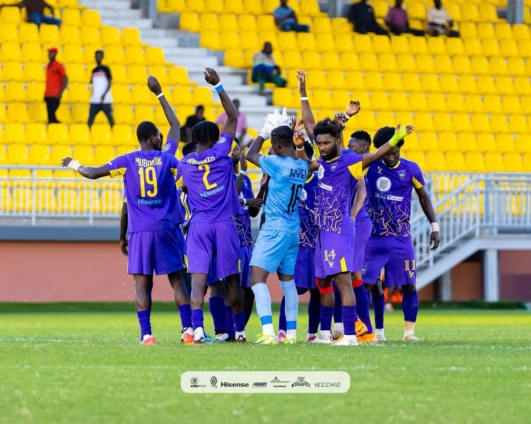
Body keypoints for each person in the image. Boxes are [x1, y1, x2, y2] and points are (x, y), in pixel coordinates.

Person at [61, 76, 190, 345]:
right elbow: (176, 125)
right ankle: (188, 331)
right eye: (159, 136)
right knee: (178, 279)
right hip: (167, 228)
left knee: (141, 283)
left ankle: (147, 335)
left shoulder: (126, 162)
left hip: (140, 231)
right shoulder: (167, 157)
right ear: (153, 138)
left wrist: (74, 164)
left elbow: (92, 173)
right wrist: (159, 93)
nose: (162, 138)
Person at [295, 71, 413, 346]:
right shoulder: (322, 160)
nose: (322, 146)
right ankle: (327, 334)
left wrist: (395, 139)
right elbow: (310, 126)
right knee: (323, 282)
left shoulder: (350, 162)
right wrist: (303, 92)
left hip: (341, 231)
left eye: (326, 143)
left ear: (338, 142)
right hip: (323, 231)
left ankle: (350, 334)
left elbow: (376, 155)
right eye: (319, 143)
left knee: (344, 281)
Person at [178, 68, 247, 344]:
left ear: (196, 140)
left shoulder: (184, 163)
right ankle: (239, 332)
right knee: (232, 280)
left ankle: (197, 330)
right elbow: (233, 116)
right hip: (225, 223)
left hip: (199, 225)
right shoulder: (222, 151)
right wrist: (218, 85)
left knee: (198, 281)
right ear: (214, 137)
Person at [363, 126, 440, 342]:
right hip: (373, 237)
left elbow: (423, 197)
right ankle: (370, 332)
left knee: (409, 284)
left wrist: (434, 226)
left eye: (395, 153)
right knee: (367, 284)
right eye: (387, 153)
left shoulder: (411, 169)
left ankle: (409, 333)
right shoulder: (370, 166)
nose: (391, 157)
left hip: (401, 237)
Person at [246, 110, 309, 345]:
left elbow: (250, 154)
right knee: (287, 282)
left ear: (276, 145)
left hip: (274, 228)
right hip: (293, 229)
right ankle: (291, 335)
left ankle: (268, 332)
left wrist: (263, 133)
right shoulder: (302, 165)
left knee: (256, 278)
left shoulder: (276, 163)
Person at [277, 140, 321, 344]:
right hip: (295, 244)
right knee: (292, 288)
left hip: (318, 243)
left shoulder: (320, 182)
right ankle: (283, 330)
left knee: (318, 289)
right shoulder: (286, 180)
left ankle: (312, 333)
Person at [88, 50, 114, 128]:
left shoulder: (106, 69)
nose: (98, 57)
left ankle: (115, 133)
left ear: (102, 57)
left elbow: (109, 82)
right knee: (90, 121)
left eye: (99, 56)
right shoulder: (94, 70)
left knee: (111, 120)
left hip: (105, 100)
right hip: (95, 100)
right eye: (97, 56)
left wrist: (104, 94)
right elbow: (92, 83)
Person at [44, 47, 67, 124]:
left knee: (52, 114)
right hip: (48, 94)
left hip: (55, 95)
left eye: (51, 53)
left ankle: (56, 126)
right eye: (49, 53)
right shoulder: (48, 65)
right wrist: (45, 93)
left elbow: (65, 79)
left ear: (55, 54)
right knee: (50, 117)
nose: (49, 54)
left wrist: (60, 92)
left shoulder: (58, 65)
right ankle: (54, 127)